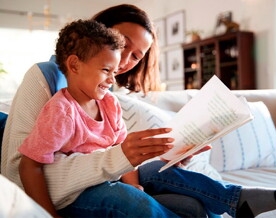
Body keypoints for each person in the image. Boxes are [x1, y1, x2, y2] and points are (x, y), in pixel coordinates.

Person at [18, 19, 276, 218]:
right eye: (105, 70)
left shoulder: (110, 104)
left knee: (168, 181)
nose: (113, 78)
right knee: (125, 198)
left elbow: (120, 154)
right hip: (80, 194)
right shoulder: (60, 110)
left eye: (115, 70)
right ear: (75, 65)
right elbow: (29, 165)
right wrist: (48, 214)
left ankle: (235, 198)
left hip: (114, 179)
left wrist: (137, 185)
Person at [2, 5, 208, 217]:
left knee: (186, 198)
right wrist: (117, 160)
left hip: (109, 178)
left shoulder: (104, 94)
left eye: (136, 56)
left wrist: (171, 154)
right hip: (74, 192)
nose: (124, 62)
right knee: (131, 202)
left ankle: (237, 200)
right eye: (123, 44)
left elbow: (112, 149)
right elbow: (22, 167)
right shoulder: (49, 83)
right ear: (100, 29)